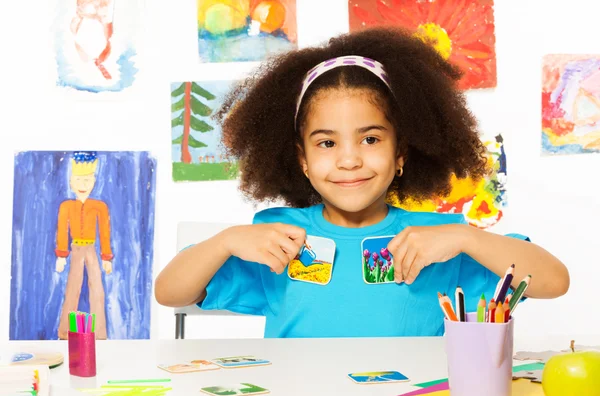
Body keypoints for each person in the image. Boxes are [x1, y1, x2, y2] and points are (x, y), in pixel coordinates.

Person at [155, 27, 569, 338]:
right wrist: (225, 241)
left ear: (401, 153)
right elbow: (170, 293)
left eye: (370, 139)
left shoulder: (437, 240)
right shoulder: (277, 238)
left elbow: (554, 281)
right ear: (301, 160)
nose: (349, 159)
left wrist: (469, 240)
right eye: (326, 142)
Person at [56, 151, 112, 339]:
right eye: (79, 180)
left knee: (97, 288)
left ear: (94, 182)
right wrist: (61, 256)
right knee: (73, 288)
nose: (83, 186)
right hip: (75, 250)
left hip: (92, 249)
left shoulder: (99, 206)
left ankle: (99, 334)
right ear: (71, 182)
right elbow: (62, 230)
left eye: (87, 181)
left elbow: (104, 232)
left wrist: (106, 257)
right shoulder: (66, 206)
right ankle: (65, 333)